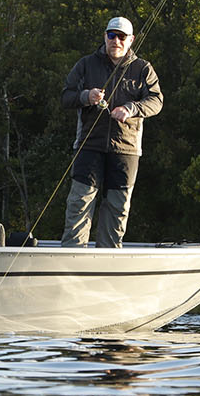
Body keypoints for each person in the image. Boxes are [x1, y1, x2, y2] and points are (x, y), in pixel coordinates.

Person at [60, 15, 163, 248]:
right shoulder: (86, 64)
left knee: (118, 209)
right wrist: (87, 96)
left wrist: (131, 108)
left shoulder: (143, 68)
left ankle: (107, 262)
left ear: (131, 40)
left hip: (126, 151)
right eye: (111, 35)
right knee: (79, 204)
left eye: (121, 36)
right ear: (105, 36)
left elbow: (156, 101)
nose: (116, 40)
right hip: (89, 146)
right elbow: (66, 96)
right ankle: (72, 262)